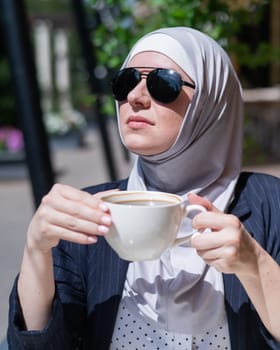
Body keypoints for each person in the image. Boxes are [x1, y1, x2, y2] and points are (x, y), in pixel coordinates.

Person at [7, 26, 280, 350]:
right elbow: (38, 345)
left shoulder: (269, 205)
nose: (135, 97)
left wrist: (253, 264)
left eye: (163, 83)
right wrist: (36, 249)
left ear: (211, 101)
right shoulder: (89, 212)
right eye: (125, 82)